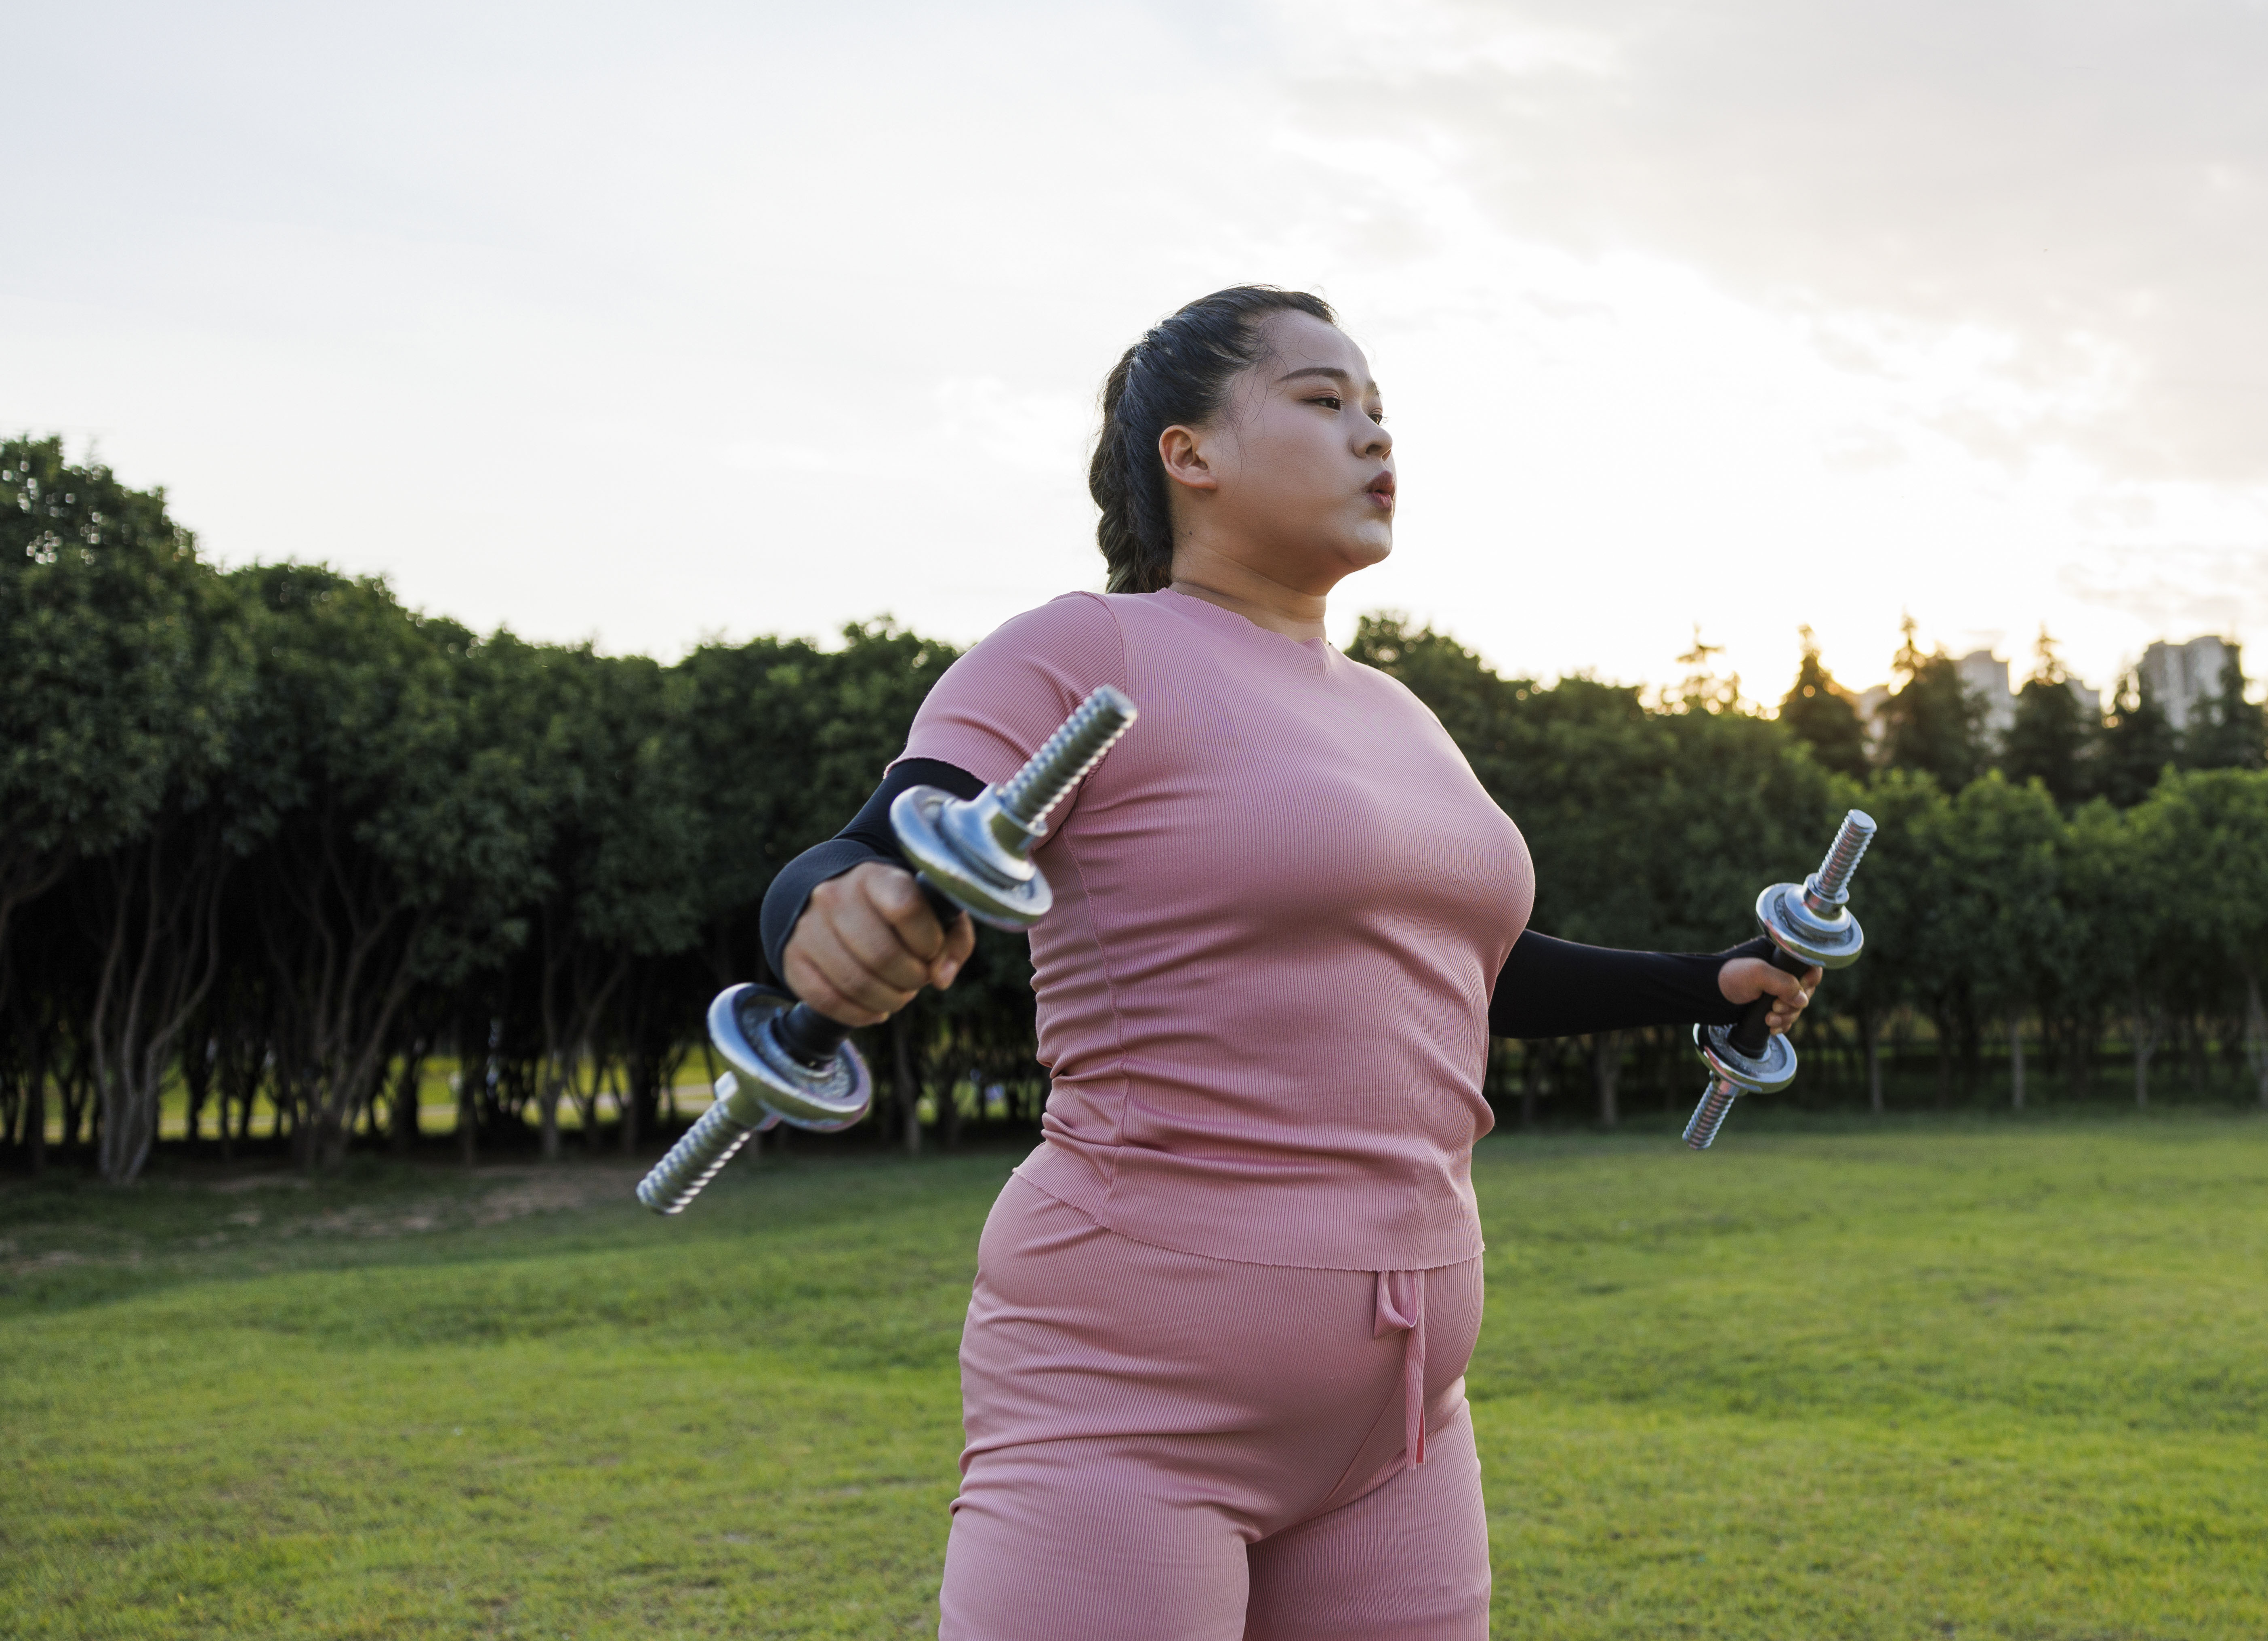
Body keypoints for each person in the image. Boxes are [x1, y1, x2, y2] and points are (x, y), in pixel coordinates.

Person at [757, 286, 1821, 1641]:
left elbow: (1455, 972)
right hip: (1132, 1392)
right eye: (1325, 403)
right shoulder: (1090, 648)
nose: (1376, 439)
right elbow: (881, 838)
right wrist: (834, 905)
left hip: (1403, 1422)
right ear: (1188, 453)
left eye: (1382, 413)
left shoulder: (1397, 713)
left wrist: (1699, 983)